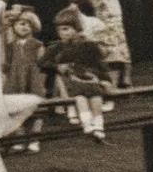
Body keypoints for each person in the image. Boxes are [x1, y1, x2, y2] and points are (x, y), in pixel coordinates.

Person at [40, 9, 111, 141]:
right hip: (71, 79)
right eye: (59, 30)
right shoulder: (56, 47)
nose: (62, 33)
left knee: (96, 95)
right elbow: (42, 62)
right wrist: (57, 66)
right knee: (80, 97)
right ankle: (87, 123)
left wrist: (106, 79)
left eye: (66, 29)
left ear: (77, 28)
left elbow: (100, 64)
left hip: (89, 77)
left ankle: (98, 125)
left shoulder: (89, 45)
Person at [1, 7, 46, 153]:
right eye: (20, 23)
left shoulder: (37, 44)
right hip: (15, 79)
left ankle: (34, 139)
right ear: (14, 26)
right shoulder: (10, 45)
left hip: (32, 78)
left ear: (33, 26)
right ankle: (19, 139)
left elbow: (42, 65)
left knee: (36, 108)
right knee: (15, 108)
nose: (24, 27)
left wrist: (41, 82)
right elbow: (7, 63)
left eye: (27, 24)